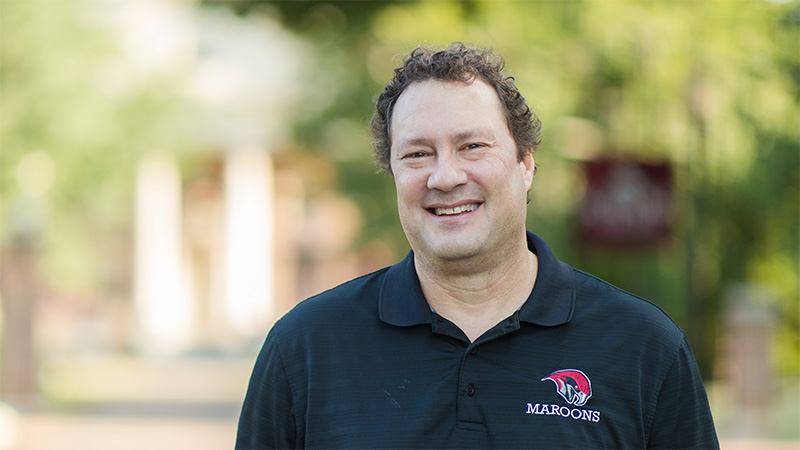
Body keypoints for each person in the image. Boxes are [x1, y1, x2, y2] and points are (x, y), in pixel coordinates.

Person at [236, 42, 719, 449]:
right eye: (417, 154)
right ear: (394, 173)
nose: (445, 176)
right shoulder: (305, 349)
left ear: (525, 163)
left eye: (472, 146)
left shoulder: (643, 348)